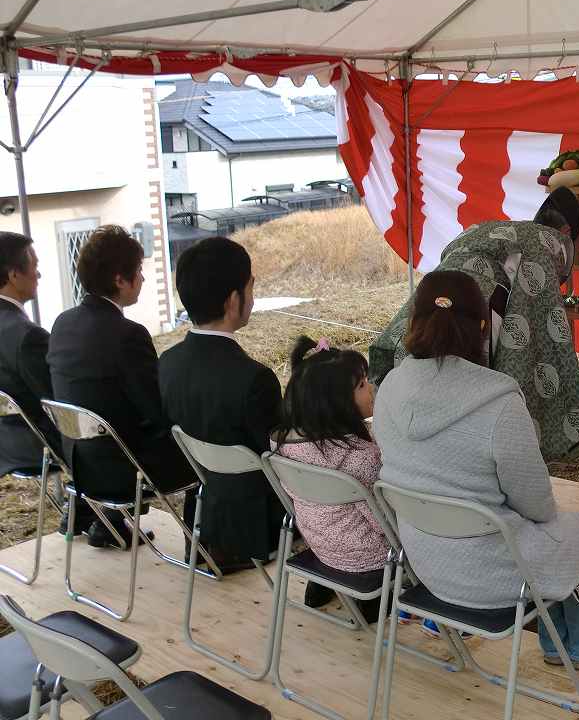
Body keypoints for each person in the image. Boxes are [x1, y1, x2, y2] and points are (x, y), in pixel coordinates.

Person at [374, 270, 579, 669]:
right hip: (490, 574)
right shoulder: (499, 401)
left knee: (550, 537)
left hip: (424, 564)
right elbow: (536, 504)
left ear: (413, 323)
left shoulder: (388, 388)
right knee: (575, 531)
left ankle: (562, 639)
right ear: (484, 327)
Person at [370, 186, 579, 463]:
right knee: (472, 392)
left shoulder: (494, 231)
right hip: (476, 305)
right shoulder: (544, 245)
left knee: (428, 376)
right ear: (565, 235)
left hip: (435, 296)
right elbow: (541, 317)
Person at [48, 225, 195, 548]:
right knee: (203, 444)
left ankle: (108, 524)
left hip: (81, 464)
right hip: (125, 471)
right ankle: (206, 549)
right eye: (138, 271)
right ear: (119, 279)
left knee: (114, 419)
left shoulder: (62, 324)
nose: (142, 278)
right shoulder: (127, 334)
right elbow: (159, 411)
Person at [159, 237, 284, 572]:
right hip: (261, 527)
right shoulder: (255, 379)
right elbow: (282, 460)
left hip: (203, 513)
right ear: (233, 300)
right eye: (251, 288)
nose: (253, 300)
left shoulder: (167, 363)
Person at [273, 336, 389, 617]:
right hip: (369, 559)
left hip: (320, 546)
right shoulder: (361, 458)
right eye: (362, 385)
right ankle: (374, 599)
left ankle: (328, 585)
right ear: (336, 403)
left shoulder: (282, 444)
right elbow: (385, 523)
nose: (371, 388)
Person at [0, 232, 94, 536]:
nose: (38, 273)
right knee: (103, 430)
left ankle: (85, 514)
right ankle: (105, 521)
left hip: (5, 442)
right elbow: (58, 400)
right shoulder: (26, 335)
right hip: (35, 444)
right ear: (14, 275)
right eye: (34, 265)